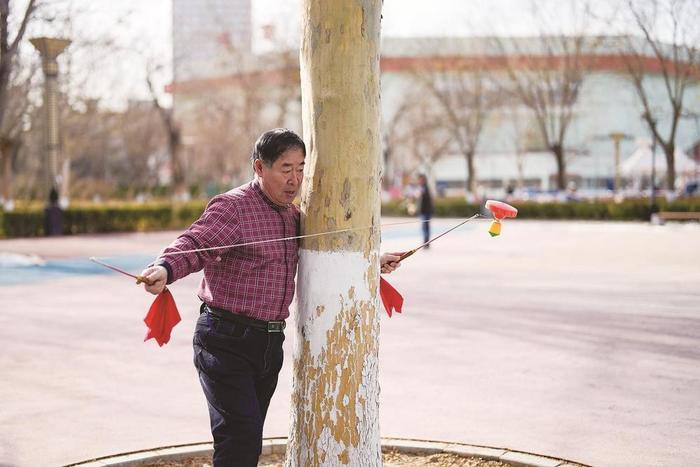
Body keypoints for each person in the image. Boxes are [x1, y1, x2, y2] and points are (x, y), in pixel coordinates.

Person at [139, 128, 401, 467]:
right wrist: (164, 267)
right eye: (285, 168)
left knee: (247, 439)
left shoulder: (295, 217)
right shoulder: (233, 208)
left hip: (269, 344)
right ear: (259, 168)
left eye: (300, 168)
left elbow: (317, 257)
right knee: (240, 439)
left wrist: (370, 263)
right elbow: (195, 243)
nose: (294, 179)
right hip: (224, 341)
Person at [416, 174, 434, 246]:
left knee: (425, 227)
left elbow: (427, 200)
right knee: (425, 227)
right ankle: (426, 242)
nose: (419, 181)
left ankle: (426, 242)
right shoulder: (422, 188)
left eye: (420, 179)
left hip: (426, 211)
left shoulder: (425, 188)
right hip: (424, 211)